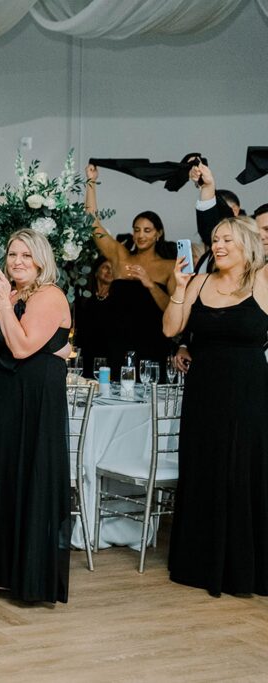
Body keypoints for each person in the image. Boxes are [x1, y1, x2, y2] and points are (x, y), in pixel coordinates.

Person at [0, 228, 72, 603]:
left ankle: (25, 572)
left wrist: (4, 304)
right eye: (12, 255)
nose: (17, 261)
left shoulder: (49, 296)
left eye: (25, 255)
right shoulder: (8, 295)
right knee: (2, 477)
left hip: (32, 402)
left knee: (27, 477)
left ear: (41, 260)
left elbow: (21, 347)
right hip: (0, 399)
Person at [163, 216, 268, 597]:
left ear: (246, 243)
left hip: (249, 394)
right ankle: (198, 563)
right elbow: (171, 329)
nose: (218, 245)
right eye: (214, 240)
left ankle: (245, 568)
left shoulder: (263, 280)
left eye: (226, 239)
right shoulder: (200, 282)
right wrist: (179, 287)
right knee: (203, 468)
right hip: (204, 392)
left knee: (242, 471)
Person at [85, 164, 175, 378]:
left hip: (153, 345)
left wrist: (150, 284)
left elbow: (173, 311)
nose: (141, 235)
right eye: (137, 230)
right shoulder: (120, 257)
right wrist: (91, 182)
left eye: (147, 230)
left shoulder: (170, 266)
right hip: (116, 344)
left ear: (158, 234)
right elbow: (92, 224)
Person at [73, 257, 114, 378]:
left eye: (113, 269)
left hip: (109, 354)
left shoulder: (118, 297)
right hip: (85, 352)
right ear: (96, 272)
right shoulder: (82, 296)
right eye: (106, 267)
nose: (110, 271)